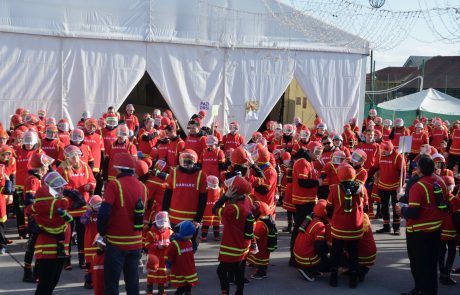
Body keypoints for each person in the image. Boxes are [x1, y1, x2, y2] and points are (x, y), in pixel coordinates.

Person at [97, 152, 147, 295]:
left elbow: (104, 211)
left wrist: (102, 232)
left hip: (116, 242)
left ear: (118, 169)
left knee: (111, 282)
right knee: (132, 280)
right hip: (136, 242)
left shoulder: (115, 185)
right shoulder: (142, 187)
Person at [399, 155, 449, 295]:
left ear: (420, 169)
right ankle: (428, 290)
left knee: (418, 264)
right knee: (432, 264)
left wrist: (401, 209)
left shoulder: (418, 186)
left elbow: (413, 213)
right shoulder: (441, 181)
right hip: (436, 229)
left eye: (417, 166)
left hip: (418, 232)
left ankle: (422, 289)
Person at [28, 171, 72, 295]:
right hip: (48, 251)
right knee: (46, 285)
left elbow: (29, 209)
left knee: (50, 284)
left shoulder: (56, 204)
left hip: (57, 250)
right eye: (57, 188)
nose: (61, 189)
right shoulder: (55, 205)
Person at [212, 175, 254, 295]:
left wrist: (225, 197)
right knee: (239, 272)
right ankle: (239, 292)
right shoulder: (246, 201)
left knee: (221, 271)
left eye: (231, 189)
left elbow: (214, 209)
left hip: (231, 247)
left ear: (234, 192)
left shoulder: (233, 209)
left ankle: (225, 292)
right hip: (243, 246)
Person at [327, 164, 366, 288]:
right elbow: (366, 207)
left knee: (336, 252)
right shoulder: (362, 188)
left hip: (339, 227)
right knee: (353, 252)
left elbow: (329, 208)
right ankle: (353, 279)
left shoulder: (334, 189)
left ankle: (334, 278)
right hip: (355, 226)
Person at [293, 199, 329, 282]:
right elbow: (319, 247)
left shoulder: (310, 217)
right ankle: (309, 269)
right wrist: (326, 259)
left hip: (297, 253)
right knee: (326, 258)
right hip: (305, 257)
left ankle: (312, 269)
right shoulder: (320, 226)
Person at [165, 221, 199, 295]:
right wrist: (168, 267)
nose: (192, 236)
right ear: (184, 234)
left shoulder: (189, 241)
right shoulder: (175, 244)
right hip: (179, 270)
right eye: (190, 234)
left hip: (189, 268)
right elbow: (169, 257)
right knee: (181, 287)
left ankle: (188, 293)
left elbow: (191, 252)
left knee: (189, 284)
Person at [247, 201, 277, 279]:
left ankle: (261, 273)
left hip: (261, 247)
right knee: (261, 259)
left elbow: (255, 237)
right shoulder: (267, 219)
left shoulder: (260, 223)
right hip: (264, 246)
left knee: (261, 261)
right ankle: (256, 265)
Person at [145, 211, 172, 295]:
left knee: (162, 275)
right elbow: (147, 244)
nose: (163, 227)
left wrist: (169, 245)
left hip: (163, 257)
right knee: (151, 276)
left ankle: (161, 291)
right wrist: (157, 246)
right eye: (162, 225)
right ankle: (149, 292)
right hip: (153, 258)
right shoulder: (151, 233)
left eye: (165, 225)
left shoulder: (170, 232)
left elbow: (173, 243)